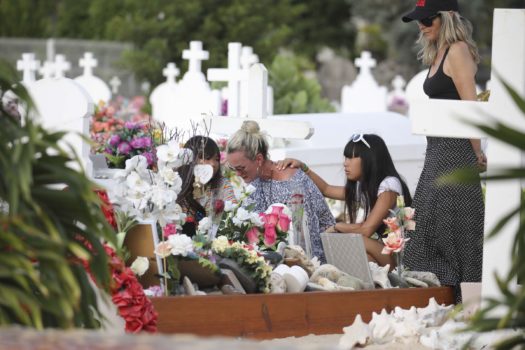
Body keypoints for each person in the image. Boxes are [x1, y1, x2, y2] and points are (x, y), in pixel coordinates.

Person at [401, 0, 484, 301]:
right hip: (435, 153)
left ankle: (467, 299)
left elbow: (470, 107)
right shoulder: (437, 53)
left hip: (455, 152)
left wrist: (476, 153)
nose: (422, 26)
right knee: (426, 227)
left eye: (427, 20)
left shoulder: (458, 50)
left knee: (456, 229)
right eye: (419, 21)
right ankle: (444, 296)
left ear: (446, 17)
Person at [277, 134, 413, 269]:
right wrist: (302, 167)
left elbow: (366, 230)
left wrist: (338, 227)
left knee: (353, 243)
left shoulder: (389, 185)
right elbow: (326, 189)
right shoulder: (370, 190)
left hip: (399, 259)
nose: (345, 162)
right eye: (346, 157)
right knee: (359, 256)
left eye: (352, 157)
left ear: (370, 159)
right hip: (383, 252)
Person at [226, 120, 335, 262]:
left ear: (259, 159)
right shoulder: (254, 185)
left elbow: (308, 241)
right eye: (233, 169)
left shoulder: (293, 183)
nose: (238, 174)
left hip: (318, 259)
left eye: (241, 168)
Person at [177, 136, 237, 236]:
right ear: (190, 159)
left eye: (217, 159)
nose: (213, 164)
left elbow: (233, 214)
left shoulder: (222, 184)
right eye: (207, 158)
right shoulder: (177, 184)